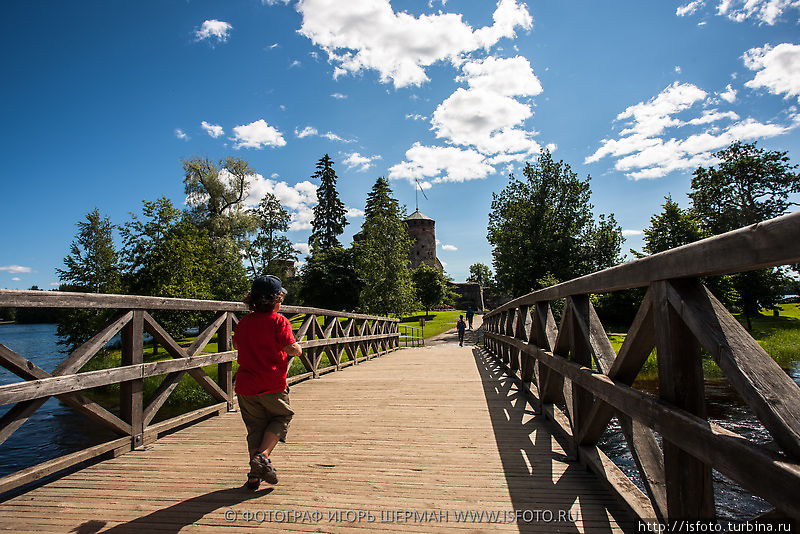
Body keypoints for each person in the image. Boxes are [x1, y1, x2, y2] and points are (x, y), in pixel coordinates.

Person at [233, 275, 302, 490]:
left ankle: (254, 475)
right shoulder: (278, 321)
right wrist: (298, 349)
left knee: (255, 428)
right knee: (282, 416)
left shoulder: (244, 322)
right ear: (277, 300)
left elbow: (236, 344)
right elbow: (290, 348)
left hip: (245, 386)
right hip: (271, 383)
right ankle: (262, 457)